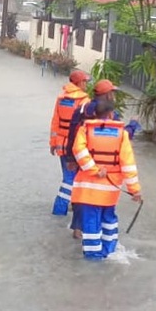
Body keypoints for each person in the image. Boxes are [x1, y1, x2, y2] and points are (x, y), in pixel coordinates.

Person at [71, 99, 142, 258]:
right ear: (111, 114)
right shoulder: (122, 135)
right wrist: (135, 191)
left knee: (91, 224)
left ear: (95, 114)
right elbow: (128, 164)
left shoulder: (85, 130)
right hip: (110, 192)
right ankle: (109, 252)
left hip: (88, 190)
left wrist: (94, 170)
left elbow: (78, 151)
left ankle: (92, 259)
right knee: (108, 220)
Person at [49, 70, 91, 221]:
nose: (86, 84)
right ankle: (59, 209)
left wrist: (53, 143)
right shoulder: (84, 100)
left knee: (69, 176)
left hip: (61, 145)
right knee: (71, 178)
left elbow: (55, 121)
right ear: (79, 83)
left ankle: (72, 204)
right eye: (85, 81)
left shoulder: (61, 97)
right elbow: (86, 125)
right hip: (76, 147)